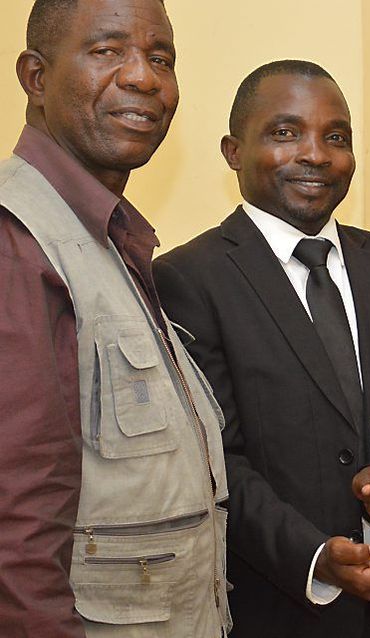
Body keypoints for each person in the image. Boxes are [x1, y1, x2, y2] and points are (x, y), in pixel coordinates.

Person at [153, 60, 370, 638]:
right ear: (232, 150)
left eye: (336, 137)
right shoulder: (186, 280)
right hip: (273, 608)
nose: (316, 154)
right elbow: (214, 462)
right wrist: (316, 558)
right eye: (284, 132)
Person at [0, 0, 232, 636]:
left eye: (161, 59)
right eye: (108, 51)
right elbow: (16, 527)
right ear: (36, 78)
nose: (143, 78)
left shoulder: (110, 240)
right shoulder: (18, 242)